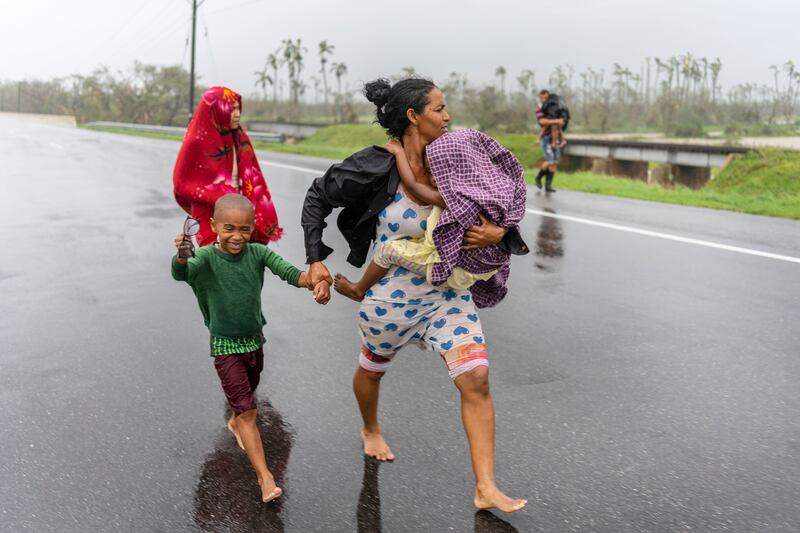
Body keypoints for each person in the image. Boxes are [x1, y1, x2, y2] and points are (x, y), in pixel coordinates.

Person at [302, 77, 528, 513]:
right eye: (439, 109)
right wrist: (315, 258)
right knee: (372, 369)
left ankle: (485, 486)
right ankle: (370, 428)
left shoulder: (459, 157)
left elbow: (500, 203)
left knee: (476, 378)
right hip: (392, 296)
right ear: (413, 116)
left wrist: (500, 232)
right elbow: (317, 196)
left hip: (447, 295)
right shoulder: (375, 165)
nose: (448, 116)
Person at [172, 193, 329, 503]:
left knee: (250, 389)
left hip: (254, 341)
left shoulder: (257, 253)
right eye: (228, 228)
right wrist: (180, 256)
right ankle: (265, 477)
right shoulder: (205, 258)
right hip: (225, 344)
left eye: (244, 229)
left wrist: (316, 282)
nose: (236, 236)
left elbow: (291, 274)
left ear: (253, 227)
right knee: (248, 411)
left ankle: (236, 420)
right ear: (214, 225)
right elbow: (182, 273)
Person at [333, 128, 528, 308]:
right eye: (428, 171)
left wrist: (399, 153)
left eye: (436, 170)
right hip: (483, 267)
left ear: (457, 169)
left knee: (388, 250)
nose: (433, 179)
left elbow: (412, 185)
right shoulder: (487, 194)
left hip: (452, 269)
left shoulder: (453, 198)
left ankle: (357, 289)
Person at [174, 86, 282, 247]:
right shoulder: (196, 142)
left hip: (241, 211)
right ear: (216, 110)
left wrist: (243, 205)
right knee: (215, 262)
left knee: (247, 263)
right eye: (231, 110)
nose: (238, 115)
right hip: (210, 213)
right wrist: (217, 196)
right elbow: (182, 183)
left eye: (238, 109)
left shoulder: (240, 138)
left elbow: (252, 177)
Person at [533, 89, 566, 193]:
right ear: (539, 97)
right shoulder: (539, 107)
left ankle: (548, 186)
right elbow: (542, 122)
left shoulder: (554, 107)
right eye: (541, 98)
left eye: (545, 98)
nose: (543, 100)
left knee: (555, 163)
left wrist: (563, 138)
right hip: (547, 138)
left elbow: (559, 126)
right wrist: (557, 121)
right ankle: (538, 177)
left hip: (555, 138)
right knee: (550, 160)